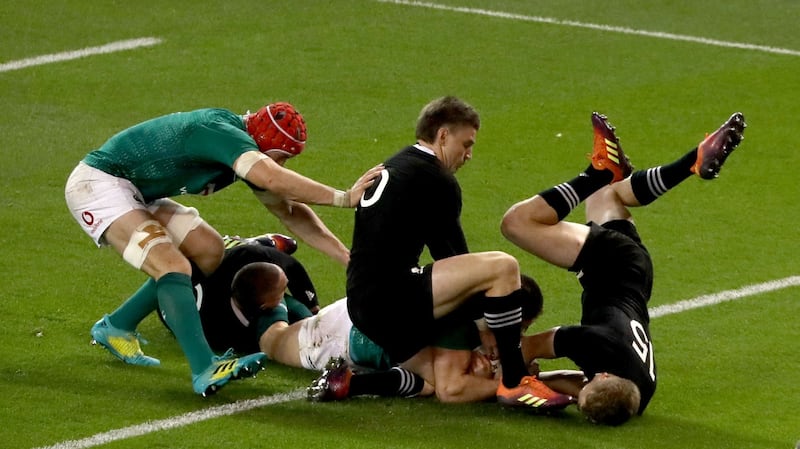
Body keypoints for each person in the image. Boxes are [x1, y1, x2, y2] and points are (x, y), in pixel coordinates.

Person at [64, 102, 382, 396]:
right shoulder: (220, 132)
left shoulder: (248, 151)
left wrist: (348, 259)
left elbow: (291, 212)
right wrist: (343, 197)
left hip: (134, 190)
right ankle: (205, 368)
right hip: (99, 184)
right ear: (263, 145)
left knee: (208, 250)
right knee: (172, 265)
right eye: (282, 157)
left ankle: (117, 326)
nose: (283, 165)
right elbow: (271, 176)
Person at [501, 111, 746, 424]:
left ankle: (684, 164)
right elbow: (528, 348)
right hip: (610, 264)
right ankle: (621, 170)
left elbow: (577, 384)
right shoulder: (597, 345)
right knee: (517, 224)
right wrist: (511, 376)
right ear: (601, 376)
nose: (584, 383)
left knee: (610, 193)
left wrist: (543, 381)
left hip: (637, 274)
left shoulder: (638, 392)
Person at [345, 96, 571, 410]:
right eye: (466, 144)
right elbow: (454, 257)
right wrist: (486, 325)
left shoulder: (397, 165)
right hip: (390, 297)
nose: (469, 155)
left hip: (362, 306)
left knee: (443, 383)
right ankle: (515, 380)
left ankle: (354, 383)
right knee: (503, 267)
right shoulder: (436, 179)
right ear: (442, 136)